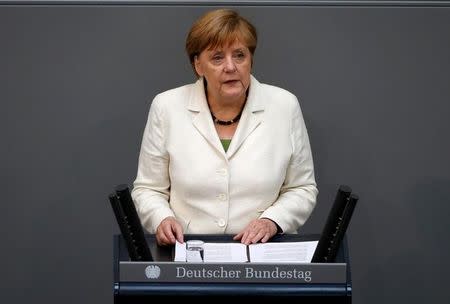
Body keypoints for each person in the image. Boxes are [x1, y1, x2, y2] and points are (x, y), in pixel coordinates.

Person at [131, 9, 318, 246]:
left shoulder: (284, 106)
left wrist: (272, 221)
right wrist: (162, 218)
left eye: (239, 55)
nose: (230, 67)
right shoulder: (166, 107)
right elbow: (148, 189)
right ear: (198, 65)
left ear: (251, 59)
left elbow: (302, 188)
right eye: (217, 58)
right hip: (189, 254)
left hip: (263, 255)